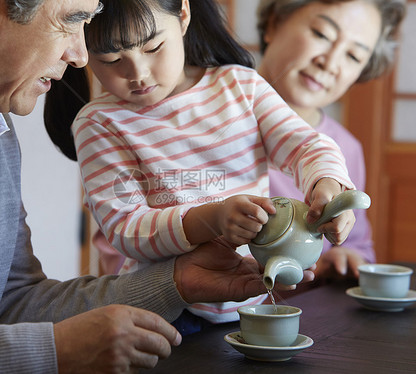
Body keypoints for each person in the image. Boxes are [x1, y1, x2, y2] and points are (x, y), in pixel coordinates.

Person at [0, 0, 316, 372]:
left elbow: (10, 303)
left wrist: (178, 283)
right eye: (72, 20)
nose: (80, 55)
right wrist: (51, 351)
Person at [45, 0, 357, 333]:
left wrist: (328, 184)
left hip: (254, 298)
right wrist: (213, 219)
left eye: (153, 47)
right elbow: (126, 227)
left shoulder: (240, 87)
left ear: (182, 15)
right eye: (111, 60)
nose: (138, 74)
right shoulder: (99, 123)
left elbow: (305, 145)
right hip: (162, 311)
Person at [257, 0, 406, 280]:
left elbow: (357, 245)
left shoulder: (345, 147)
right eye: (322, 34)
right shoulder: (208, 117)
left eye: (353, 56)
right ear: (273, 24)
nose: (330, 63)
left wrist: (343, 255)